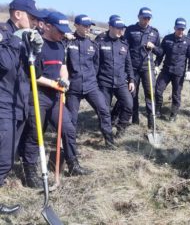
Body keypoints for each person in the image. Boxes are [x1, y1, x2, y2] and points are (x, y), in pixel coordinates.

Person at [19, 11, 92, 188]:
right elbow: (32, 75)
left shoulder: (61, 46)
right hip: (37, 96)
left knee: (68, 129)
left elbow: (63, 67)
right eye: (59, 30)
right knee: (35, 135)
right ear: (48, 26)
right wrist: (53, 83)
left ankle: (73, 165)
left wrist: (64, 80)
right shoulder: (36, 45)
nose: (61, 33)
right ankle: (30, 174)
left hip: (56, 96)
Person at [0, 0, 44, 187]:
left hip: (20, 104)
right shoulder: (3, 34)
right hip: (3, 105)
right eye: (32, 18)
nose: (36, 23)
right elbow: (5, 64)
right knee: (3, 160)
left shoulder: (25, 37)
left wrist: (36, 51)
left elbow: (35, 73)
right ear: (18, 14)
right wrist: (17, 42)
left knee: (8, 159)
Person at [65, 14, 115, 149]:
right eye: (85, 25)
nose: (87, 28)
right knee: (71, 119)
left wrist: (92, 79)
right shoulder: (68, 42)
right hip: (73, 87)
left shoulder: (93, 45)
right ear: (76, 25)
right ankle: (70, 145)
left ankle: (109, 142)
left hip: (91, 85)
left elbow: (96, 65)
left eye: (89, 26)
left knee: (104, 110)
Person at [121, 7, 161, 128]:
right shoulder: (130, 30)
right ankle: (134, 119)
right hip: (133, 67)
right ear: (138, 17)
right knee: (133, 94)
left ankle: (151, 122)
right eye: (144, 18)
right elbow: (124, 48)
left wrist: (154, 49)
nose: (146, 20)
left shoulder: (154, 32)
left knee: (150, 94)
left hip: (147, 67)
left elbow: (160, 51)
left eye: (148, 18)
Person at [96, 16, 135, 138]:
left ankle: (120, 129)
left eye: (122, 29)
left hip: (120, 82)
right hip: (104, 82)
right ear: (110, 27)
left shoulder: (124, 44)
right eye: (118, 28)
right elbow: (94, 63)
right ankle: (107, 134)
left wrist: (131, 80)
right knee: (104, 110)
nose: (121, 31)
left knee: (129, 105)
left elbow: (128, 64)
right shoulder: (100, 41)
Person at [154, 18, 190, 121]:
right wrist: (156, 65)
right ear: (174, 28)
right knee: (158, 90)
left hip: (179, 72)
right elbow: (161, 53)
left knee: (176, 95)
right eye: (178, 29)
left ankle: (173, 115)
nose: (180, 31)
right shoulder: (167, 39)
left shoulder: (189, 41)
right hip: (166, 70)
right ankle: (157, 110)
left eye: (182, 29)